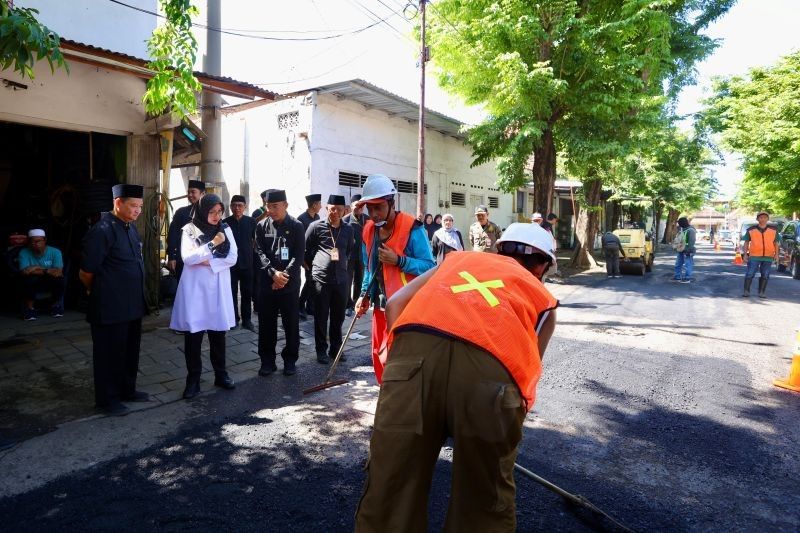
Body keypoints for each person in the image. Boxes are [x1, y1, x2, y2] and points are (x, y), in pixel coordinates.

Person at [355, 223, 558, 532]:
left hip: (412, 357)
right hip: (491, 376)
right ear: (542, 265)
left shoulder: (457, 260)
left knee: (390, 485)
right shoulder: (541, 297)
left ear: (498, 248)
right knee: (483, 499)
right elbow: (527, 371)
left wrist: (405, 369)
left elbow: (396, 304)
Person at [355, 174, 435, 382]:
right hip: (380, 306)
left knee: (402, 358)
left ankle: (403, 398)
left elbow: (429, 267)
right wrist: (363, 295)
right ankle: (386, 394)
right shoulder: (368, 231)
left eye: (378, 207)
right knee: (379, 355)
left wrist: (399, 261)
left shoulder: (412, 229)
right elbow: (368, 267)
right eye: (369, 208)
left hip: (406, 306)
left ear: (391, 202)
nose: (373, 214)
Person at [79, 184, 148, 416]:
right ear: (118, 203)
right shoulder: (103, 230)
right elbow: (86, 272)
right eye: (133, 206)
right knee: (109, 354)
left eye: (140, 206)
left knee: (130, 351)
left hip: (132, 305)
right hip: (109, 306)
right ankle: (107, 400)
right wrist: (95, 292)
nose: (138, 210)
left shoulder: (129, 227)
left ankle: (127, 390)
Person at [169, 194, 238, 399]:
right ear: (202, 211)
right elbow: (188, 258)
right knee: (194, 336)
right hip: (196, 290)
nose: (216, 216)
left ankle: (221, 374)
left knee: (218, 334)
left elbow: (233, 257)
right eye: (212, 212)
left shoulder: (225, 228)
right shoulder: (189, 230)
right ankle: (193, 380)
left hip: (217, 287)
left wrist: (209, 262)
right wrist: (212, 246)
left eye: (219, 211)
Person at [254, 189, 305, 376]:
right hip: (268, 284)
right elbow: (259, 253)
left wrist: (283, 277)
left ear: (285, 205)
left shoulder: (297, 226)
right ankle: (267, 361)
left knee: (291, 324)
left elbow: (298, 256)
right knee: (266, 325)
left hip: (289, 286)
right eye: (268, 206)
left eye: (275, 206)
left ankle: (290, 360)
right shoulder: (261, 226)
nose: (271, 210)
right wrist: (272, 274)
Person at [305, 195, 354, 364]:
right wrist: (315, 268)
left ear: (344, 211)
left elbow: (348, 250)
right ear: (327, 209)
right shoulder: (315, 227)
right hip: (321, 281)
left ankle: (335, 349)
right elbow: (306, 251)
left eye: (339, 209)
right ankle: (321, 351)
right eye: (332, 209)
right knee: (321, 317)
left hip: (341, 280)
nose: (335, 212)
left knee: (338, 317)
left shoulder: (348, 230)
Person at [223, 195, 257, 331]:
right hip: (230, 265)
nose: (237, 208)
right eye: (234, 205)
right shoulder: (224, 223)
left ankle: (247, 319)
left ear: (245, 207)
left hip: (247, 263)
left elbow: (256, 242)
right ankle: (233, 319)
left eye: (240, 205)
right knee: (231, 292)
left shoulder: (251, 222)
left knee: (247, 292)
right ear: (230, 206)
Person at [18, 229, 65, 320]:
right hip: (33, 280)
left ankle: (55, 306)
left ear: (45, 240)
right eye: (32, 241)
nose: (35, 243)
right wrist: (46, 270)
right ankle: (30, 309)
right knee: (29, 279)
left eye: (38, 241)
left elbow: (58, 271)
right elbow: (25, 271)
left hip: (50, 279)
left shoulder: (55, 252)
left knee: (60, 279)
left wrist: (35, 267)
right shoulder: (24, 252)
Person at [167, 179, 205, 280]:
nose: (190, 195)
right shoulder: (181, 212)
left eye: (193, 192)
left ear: (202, 193)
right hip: (183, 260)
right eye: (188, 192)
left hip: (204, 261)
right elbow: (173, 235)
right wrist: (171, 257)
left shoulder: (210, 213)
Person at [742, 211, 780, 298]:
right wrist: (745, 254)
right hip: (754, 255)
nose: (763, 219)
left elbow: (776, 243)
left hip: (768, 256)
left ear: (767, 219)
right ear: (757, 219)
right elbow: (746, 242)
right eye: (761, 217)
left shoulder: (773, 230)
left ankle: (762, 292)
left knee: (765, 274)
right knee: (750, 273)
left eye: (765, 217)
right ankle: (746, 291)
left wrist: (777, 255)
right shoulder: (751, 230)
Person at [298, 193, 322, 320]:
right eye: (319, 204)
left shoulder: (317, 217)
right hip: (306, 256)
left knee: (314, 282)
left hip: (316, 255)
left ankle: (310, 307)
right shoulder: (301, 219)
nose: (321, 206)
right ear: (314, 205)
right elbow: (299, 241)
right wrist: (302, 260)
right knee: (309, 282)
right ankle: (300, 305)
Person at [344, 194, 367, 317]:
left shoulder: (368, 220)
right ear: (351, 206)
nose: (359, 208)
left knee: (360, 280)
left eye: (361, 206)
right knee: (348, 281)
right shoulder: (346, 220)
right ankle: (347, 305)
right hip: (349, 256)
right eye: (356, 205)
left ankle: (356, 303)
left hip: (362, 256)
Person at [672, 217, 697, 283]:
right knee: (678, 263)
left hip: (688, 250)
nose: (679, 225)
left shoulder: (691, 230)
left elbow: (692, 241)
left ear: (683, 223)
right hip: (681, 249)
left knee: (688, 264)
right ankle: (677, 277)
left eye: (679, 223)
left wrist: (688, 249)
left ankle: (687, 278)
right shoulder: (683, 229)